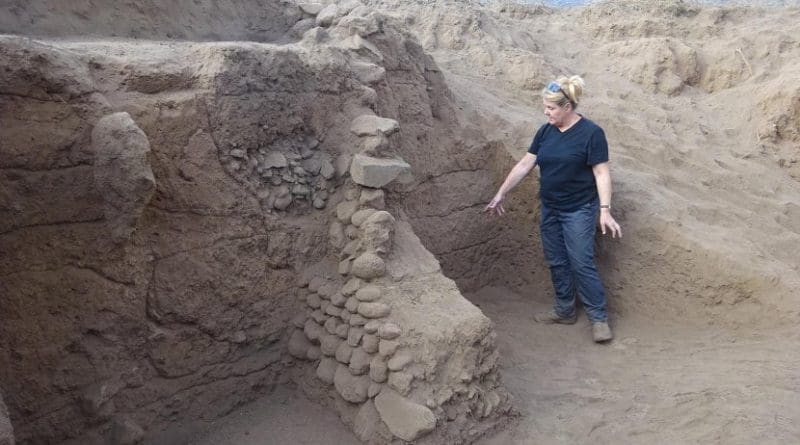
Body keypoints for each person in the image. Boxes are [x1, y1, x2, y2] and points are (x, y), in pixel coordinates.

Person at [485, 75, 621, 343]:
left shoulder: (591, 133)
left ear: (568, 107)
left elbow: (601, 173)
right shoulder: (546, 131)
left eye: (551, 108)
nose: (546, 112)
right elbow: (525, 164)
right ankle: (564, 310)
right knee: (557, 260)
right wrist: (501, 193)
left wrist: (604, 210)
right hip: (550, 208)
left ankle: (598, 318)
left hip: (579, 209)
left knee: (581, 262)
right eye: (545, 107)